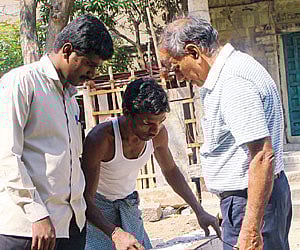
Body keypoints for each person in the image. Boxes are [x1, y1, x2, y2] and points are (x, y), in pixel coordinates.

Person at [159, 16, 292, 250]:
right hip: (256, 199)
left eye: (177, 67)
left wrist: (251, 229)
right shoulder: (233, 69)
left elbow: (262, 157)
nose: (179, 77)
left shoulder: (232, 81)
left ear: (194, 52)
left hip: (250, 200)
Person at [0, 14, 113, 250]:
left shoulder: (70, 98)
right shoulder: (21, 82)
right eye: (90, 64)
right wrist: (36, 214)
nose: (93, 74)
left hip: (69, 228)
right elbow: (6, 155)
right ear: (67, 50)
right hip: (28, 230)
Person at [81, 77, 221, 250]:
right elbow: (85, 199)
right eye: (147, 123)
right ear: (127, 112)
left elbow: (170, 171)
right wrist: (115, 233)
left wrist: (199, 211)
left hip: (129, 205)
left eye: (160, 121)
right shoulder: (101, 139)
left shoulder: (158, 135)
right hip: (98, 210)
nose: (154, 130)